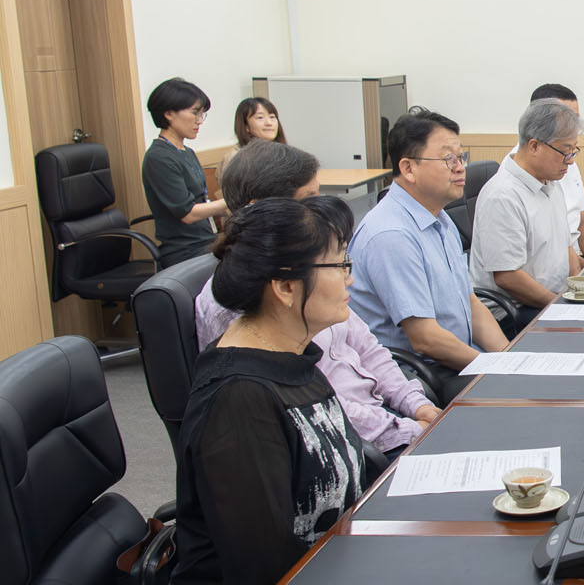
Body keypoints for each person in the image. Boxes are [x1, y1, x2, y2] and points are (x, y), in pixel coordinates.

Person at [170, 196, 369, 585]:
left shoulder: (291, 357)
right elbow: (266, 571)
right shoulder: (240, 400)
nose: (350, 278)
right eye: (339, 265)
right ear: (285, 287)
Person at [195, 140, 440, 454]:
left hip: (378, 417)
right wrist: (408, 429)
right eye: (308, 201)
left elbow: (366, 345)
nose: (318, 213)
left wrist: (415, 404)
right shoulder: (250, 298)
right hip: (347, 442)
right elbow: (315, 408)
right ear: (262, 210)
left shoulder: (312, 273)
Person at [349, 108, 507, 398]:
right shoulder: (391, 234)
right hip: (420, 375)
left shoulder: (439, 217)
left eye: (461, 157)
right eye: (448, 159)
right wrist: (494, 369)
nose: (460, 168)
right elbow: (425, 340)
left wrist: (508, 359)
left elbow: (471, 303)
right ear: (408, 168)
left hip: (459, 358)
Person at [473, 99, 584, 326]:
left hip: (551, 299)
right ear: (534, 146)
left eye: (573, 151)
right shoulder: (503, 196)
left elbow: (567, 248)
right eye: (565, 151)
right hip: (514, 311)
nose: (571, 161)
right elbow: (508, 277)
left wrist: (578, 293)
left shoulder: (551, 183)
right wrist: (560, 307)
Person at [141, 78, 229, 265]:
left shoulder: (186, 152)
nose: (200, 121)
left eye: (202, 114)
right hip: (185, 251)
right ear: (169, 113)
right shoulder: (159, 157)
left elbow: (202, 202)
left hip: (205, 241)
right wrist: (230, 202)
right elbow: (188, 214)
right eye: (195, 113)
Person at [530, 83, 584, 265]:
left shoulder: (567, 157)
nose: (575, 128)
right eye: (568, 120)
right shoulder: (528, 171)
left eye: (576, 120)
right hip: (554, 268)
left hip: (572, 262)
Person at [219, 96, 287, 172]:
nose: (269, 123)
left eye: (272, 117)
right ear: (246, 126)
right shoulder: (235, 158)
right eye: (260, 117)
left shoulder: (283, 152)